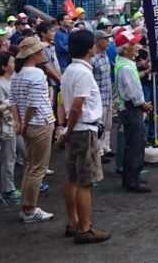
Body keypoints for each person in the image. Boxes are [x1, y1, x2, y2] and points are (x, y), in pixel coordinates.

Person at [58, 30, 110, 244]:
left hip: (76, 128)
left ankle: (74, 221)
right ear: (90, 47)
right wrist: (68, 131)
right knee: (85, 181)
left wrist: (64, 130)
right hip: (83, 129)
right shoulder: (83, 72)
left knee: (72, 178)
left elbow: (65, 102)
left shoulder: (70, 69)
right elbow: (77, 106)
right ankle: (84, 228)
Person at [10, 37, 55, 223]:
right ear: (33, 54)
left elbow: (13, 100)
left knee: (31, 167)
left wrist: (18, 122)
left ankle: (27, 207)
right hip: (39, 123)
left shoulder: (16, 74)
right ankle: (30, 209)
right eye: (39, 51)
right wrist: (24, 122)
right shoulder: (36, 74)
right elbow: (33, 104)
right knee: (38, 169)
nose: (42, 53)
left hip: (28, 124)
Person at [114, 28, 153, 193]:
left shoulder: (123, 62)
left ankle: (131, 178)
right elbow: (132, 92)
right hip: (132, 108)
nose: (137, 46)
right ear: (124, 48)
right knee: (135, 144)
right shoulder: (126, 67)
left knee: (132, 144)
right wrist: (143, 104)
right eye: (132, 44)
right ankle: (132, 180)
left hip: (129, 107)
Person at [0, 52, 21, 202]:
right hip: (5, 128)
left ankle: (31, 182)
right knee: (9, 157)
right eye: (12, 62)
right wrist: (9, 104)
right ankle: (8, 190)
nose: (15, 64)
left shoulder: (12, 80)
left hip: (15, 124)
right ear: (3, 66)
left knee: (24, 152)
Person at [91, 30, 114, 160]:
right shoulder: (93, 59)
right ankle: (99, 151)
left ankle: (106, 147)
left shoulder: (105, 56)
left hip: (108, 96)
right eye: (105, 39)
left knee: (108, 124)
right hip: (99, 98)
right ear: (98, 41)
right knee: (99, 126)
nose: (108, 41)